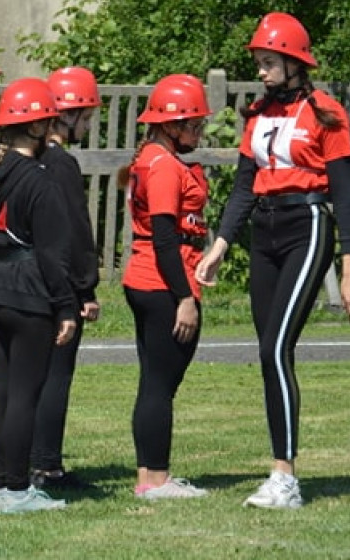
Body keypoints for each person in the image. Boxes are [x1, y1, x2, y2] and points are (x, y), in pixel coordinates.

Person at [195, 12, 350, 509]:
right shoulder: (256, 114)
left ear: (295, 63)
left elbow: (346, 191)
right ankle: (281, 469)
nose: (263, 71)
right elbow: (244, 187)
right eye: (260, 62)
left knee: (274, 348)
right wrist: (221, 244)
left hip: (307, 226)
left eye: (270, 62)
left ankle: (284, 477)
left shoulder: (326, 112)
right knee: (271, 352)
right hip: (263, 233)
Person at [0, 78, 78, 515]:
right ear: (36, 129)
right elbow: (54, 255)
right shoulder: (38, 180)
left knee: (0, 391)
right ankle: (16, 490)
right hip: (30, 290)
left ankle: (1, 483)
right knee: (23, 395)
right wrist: (67, 306)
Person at [120, 74, 211, 500]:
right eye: (193, 125)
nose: (198, 133)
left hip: (150, 280)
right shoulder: (162, 166)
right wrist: (185, 298)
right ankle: (155, 480)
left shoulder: (155, 159)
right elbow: (163, 237)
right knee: (159, 385)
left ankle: (149, 475)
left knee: (155, 382)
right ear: (170, 124)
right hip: (161, 284)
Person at [30, 66, 102, 492]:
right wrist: (84, 288)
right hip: (59, 286)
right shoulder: (62, 164)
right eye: (86, 116)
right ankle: (48, 465)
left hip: (26, 279)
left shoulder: (26, 158)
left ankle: (25, 461)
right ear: (67, 115)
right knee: (57, 376)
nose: (88, 125)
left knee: (28, 378)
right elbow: (75, 230)